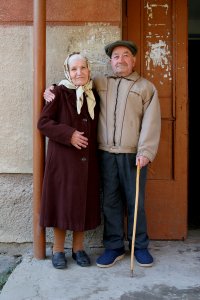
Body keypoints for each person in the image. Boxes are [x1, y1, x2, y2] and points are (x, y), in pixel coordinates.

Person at [44, 40, 161, 268]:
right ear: (111, 62)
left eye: (126, 55)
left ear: (133, 60)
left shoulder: (146, 87)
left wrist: (146, 151)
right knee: (110, 202)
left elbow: (151, 122)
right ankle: (114, 246)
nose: (121, 60)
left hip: (132, 155)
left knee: (135, 201)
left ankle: (139, 246)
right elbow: (73, 84)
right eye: (116, 56)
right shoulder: (99, 82)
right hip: (106, 154)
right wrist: (50, 88)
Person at [37, 52, 101, 270]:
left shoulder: (94, 94)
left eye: (83, 68)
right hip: (63, 163)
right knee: (62, 204)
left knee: (81, 204)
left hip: (87, 163)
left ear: (89, 70)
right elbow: (43, 123)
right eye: (74, 69)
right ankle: (57, 250)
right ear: (68, 71)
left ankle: (78, 249)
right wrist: (69, 134)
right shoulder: (58, 92)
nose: (78, 73)